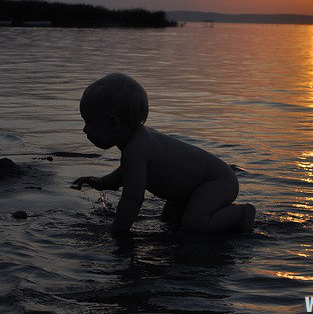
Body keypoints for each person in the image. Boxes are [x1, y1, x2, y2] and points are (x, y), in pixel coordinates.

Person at [73, 73, 256, 234]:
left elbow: (133, 198)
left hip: (216, 182)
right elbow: (125, 174)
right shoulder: (137, 142)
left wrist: (118, 231)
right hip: (193, 187)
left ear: (113, 124)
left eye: (88, 123)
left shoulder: (135, 150)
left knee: (195, 223)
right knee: (169, 220)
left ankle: (242, 213)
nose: (84, 129)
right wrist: (100, 183)